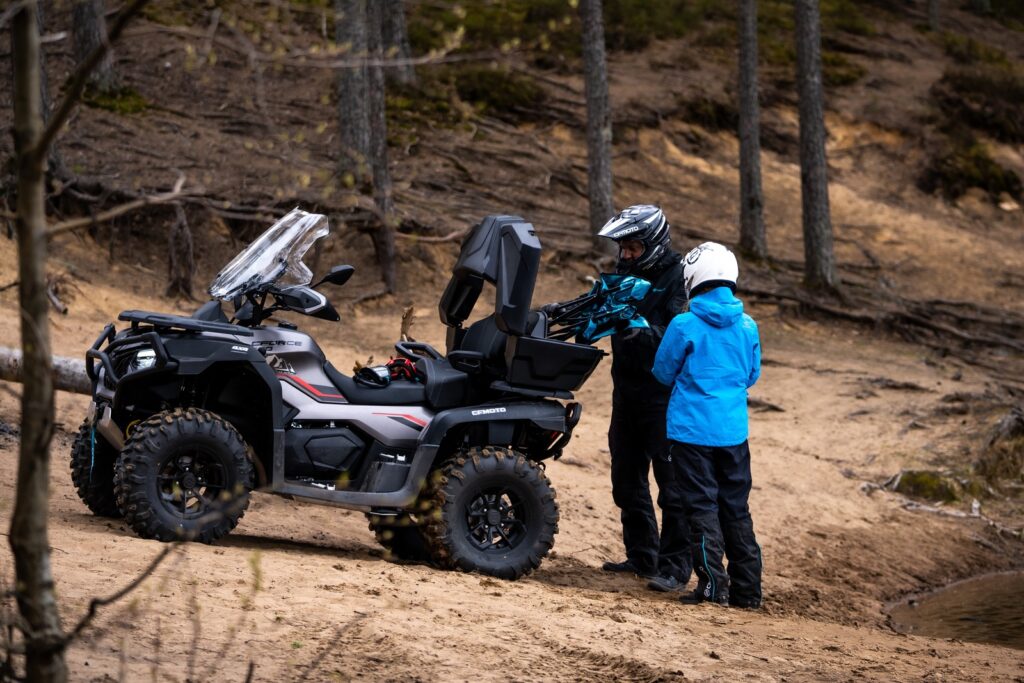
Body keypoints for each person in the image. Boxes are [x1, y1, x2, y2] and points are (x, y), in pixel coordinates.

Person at [652, 241, 763, 608]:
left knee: (700, 507)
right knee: (736, 508)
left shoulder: (684, 324)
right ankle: (748, 592)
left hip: (691, 432)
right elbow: (751, 374)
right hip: (733, 432)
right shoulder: (748, 326)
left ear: (694, 280)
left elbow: (663, 371)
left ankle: (713, 587)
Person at [596, 205, 692, 593]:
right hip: (627, 391)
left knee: (672, 486)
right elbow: (606, 309)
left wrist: (647, 333)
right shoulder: (624, 272)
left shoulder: (679, 277)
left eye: (633, 247)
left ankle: (673, 568)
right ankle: (642, 555)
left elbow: (680, 328)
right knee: (625, 477)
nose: (627, 255)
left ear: (652, 243)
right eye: (623, 248)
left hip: (665, 396)